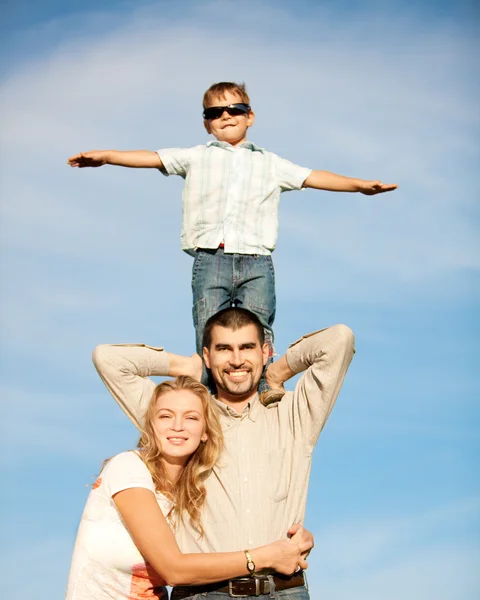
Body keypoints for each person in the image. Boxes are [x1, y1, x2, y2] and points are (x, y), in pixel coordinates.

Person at [68, 81, 395, 390]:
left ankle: (265, 382)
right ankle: (208, 388)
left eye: (235, 109)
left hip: (256, 259)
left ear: (249, 117)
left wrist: (360, 185)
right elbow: (151, 157)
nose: (225, 116)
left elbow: (313, 177)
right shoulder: (197, 156)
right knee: (209, 324)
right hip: (211, 258)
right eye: (214, 112)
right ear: (206, 123)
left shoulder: (270, 163)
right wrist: (107, 156)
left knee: (258, 322)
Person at [92, 307, 356, 599]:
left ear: (265, 351)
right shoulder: (186, 422)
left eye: (247, 347)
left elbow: (339, 339)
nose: (236, 359)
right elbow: (108, 360)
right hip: (204, 594)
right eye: (223, 349)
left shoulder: (296, 414)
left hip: (284, 590)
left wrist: (279, 371)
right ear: (207, 356)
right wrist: (184, 366)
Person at [65, 375, 310, 600]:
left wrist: (291, 540)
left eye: (191, 417)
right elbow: (174, 569)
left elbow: (225, 543)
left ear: (205, 432)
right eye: (165, 416)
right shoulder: (128, 468)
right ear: (151, 425)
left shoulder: (194, 494)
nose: (177, 426)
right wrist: (267, 556)